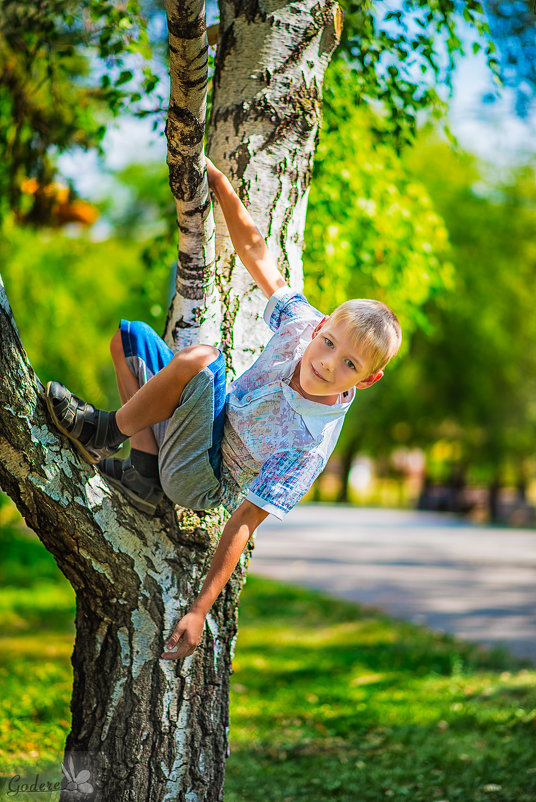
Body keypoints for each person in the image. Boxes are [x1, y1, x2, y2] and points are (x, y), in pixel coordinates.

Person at [45, 157, 402, 661]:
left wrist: (199, 610)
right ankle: (144, 475)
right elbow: (255, 251)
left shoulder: (309, 443)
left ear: (367, 380)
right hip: (197, 428)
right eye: (328, 343)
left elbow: (242, 522)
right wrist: (217, 182)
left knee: (203, 362)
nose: (325, 364)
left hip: (202, 479)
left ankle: (104, 432)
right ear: (321, 326)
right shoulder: (300, 324)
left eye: (348, 364)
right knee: (129, 338)